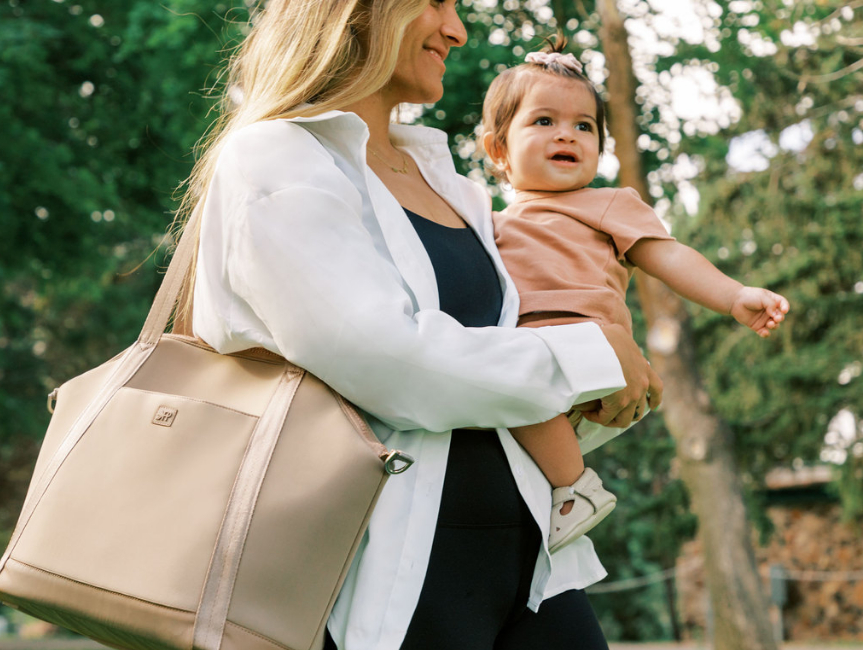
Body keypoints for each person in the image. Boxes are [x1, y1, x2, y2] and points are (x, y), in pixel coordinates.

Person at [177, 1, 662, 648]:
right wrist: (588, 358)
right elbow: (385, 359)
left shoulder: (450, 182)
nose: (458, 30)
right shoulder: (276, 159)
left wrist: (601, 390)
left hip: (531, 563)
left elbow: (495, 358)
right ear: (355, 13)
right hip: (386, 577)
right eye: (436, 3)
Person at [480, 37, 790, 554]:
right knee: (509, 405)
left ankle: (573, 490)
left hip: (583, 343)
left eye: (585, 126)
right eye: (544, 121)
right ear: (497, 150)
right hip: (532, 345)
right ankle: (550, 498)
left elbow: (669, 256)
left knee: (520, 392)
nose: (568, 135)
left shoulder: (606, 204)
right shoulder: (486, 222)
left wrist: (734, 296)